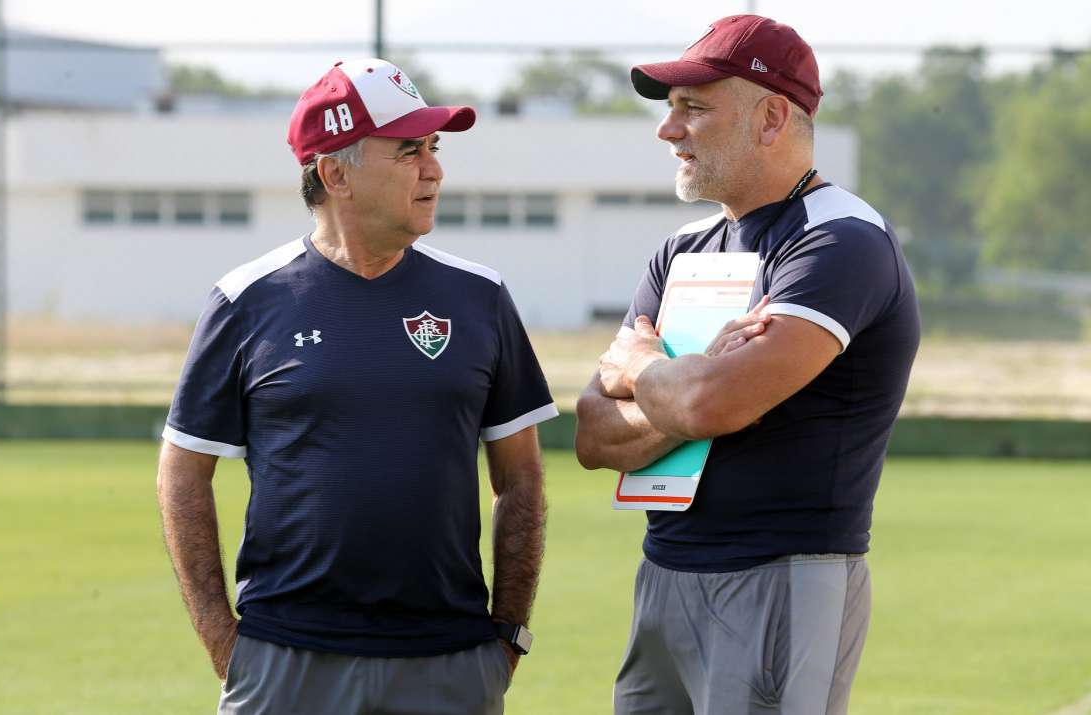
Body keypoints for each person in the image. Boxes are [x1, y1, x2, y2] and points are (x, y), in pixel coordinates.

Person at [157, 58, 557, 715]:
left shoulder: (480, 297)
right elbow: (182, 472)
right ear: (336, 173)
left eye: (433, 148)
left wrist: (506, 636)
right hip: (284, 661)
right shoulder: (244, 301)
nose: (434, 169)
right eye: (409, 151)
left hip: (450, 662)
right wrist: (222, 639)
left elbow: (521, 479)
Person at [574, 15, 921, 715]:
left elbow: (713, 404)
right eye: (671, 110)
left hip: (782, 575)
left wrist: (648, 368)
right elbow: (592, 433)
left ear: (770, 119)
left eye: (693, 108)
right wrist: (693, 383)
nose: (668, 131)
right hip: (663, 573)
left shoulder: (840, 241)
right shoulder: (684, 248)